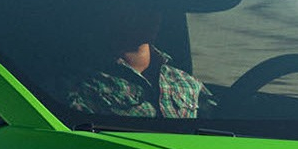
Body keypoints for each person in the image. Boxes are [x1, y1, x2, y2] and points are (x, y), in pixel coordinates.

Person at [57, 9, 207, 123]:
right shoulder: (81, 84)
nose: (149, 13)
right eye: (138, 5)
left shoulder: (185, 80)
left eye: (154, 5)